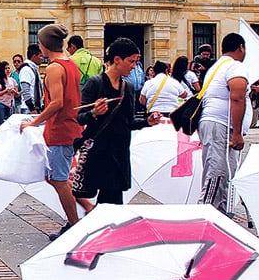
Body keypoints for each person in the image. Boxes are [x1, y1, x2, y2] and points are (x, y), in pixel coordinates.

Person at [75, 37, 161, 206]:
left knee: (111, 202)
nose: (134, 66)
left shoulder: (128, 87)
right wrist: (94, 112)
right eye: (131, 61)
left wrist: (147, 121)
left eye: (136, 61)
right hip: (100, 152)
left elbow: (128, 121)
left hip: (120, 152)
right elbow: (80, 117)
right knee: (109, 204)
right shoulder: (95, 83)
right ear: (117, 59)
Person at [20, 24, 83, 240]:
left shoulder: (55, 68)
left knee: (57, 179)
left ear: (45, 45)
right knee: (56, 177)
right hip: (69, 127)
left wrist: (34, 122)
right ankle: (77, 217)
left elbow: (57, 102)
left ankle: (75, 224)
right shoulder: (70, 64)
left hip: (61, 129)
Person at [198, 32, 249, 215]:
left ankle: (218, 212)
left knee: (223, 171)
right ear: (240, 48)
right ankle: (207, 212)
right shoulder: (235, 66)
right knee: (217, 172)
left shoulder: (217, 66)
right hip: (220, 125)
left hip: (214, 124)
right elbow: (237, 97)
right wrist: (237, 133)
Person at [18, 43, 44, 114]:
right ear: (34, 56)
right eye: (41, 56)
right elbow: (25, 90)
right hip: (29, 109)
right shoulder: (26, 69)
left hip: (34, 108)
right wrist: (32, 108)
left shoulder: (33, 69)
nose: (42, 59)